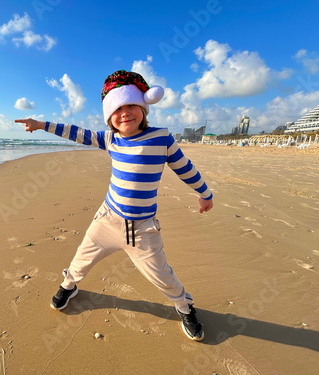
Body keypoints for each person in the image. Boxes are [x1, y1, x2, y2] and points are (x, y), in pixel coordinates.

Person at [15, 70, 213, 341]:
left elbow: (185, 169)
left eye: (131, 105)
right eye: (117, 108)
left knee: (161, 275)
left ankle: (183, 306)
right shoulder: (110, 139)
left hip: (142, 230)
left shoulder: (162, 138)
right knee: (81, 259)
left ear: (143, 107)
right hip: (107, 219)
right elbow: (76, 132)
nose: (125, 112)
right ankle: (69, 285)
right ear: (110, 117)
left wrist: (205, 193)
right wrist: (40, 124)